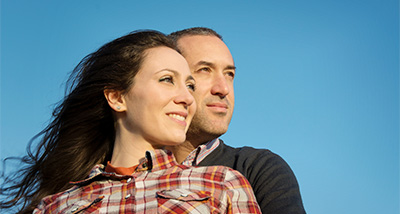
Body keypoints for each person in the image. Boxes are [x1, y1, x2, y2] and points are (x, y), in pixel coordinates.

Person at [0, 30, 261, 213]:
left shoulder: (222, 183)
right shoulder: (54, 206)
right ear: (117, 97)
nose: (187, 98)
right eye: (167, 79)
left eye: (190, 85)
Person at [167, 27, 306, 213]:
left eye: (229, 74)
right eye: (205, 70)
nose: (223, 88)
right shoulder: (124, 172)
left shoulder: (258, 170)